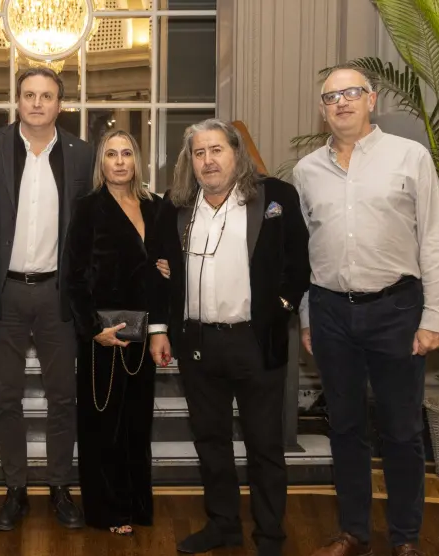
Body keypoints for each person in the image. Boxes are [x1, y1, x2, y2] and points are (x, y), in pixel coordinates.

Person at [294, 68, 439, 556]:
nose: (341, 102)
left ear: (372, 99)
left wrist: (437, 316)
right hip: (329, 312)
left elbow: (435, 237)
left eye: (352, 93)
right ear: (322, 109)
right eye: (331, 96)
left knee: (402, 430)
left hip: (397, 310)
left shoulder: (410, 157)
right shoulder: (306, 171)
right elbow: (303, 253)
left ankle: (405, 538)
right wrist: (307, 315)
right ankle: (354, 533)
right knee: (344, 429)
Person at [149, 118, 310, 556]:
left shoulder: (275, 197)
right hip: (198, 343)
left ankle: (270, 536)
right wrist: (160, 328)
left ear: (236, 153)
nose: (208, 160)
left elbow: (299, 261)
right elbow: (158, 270)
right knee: (211, 441)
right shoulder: (176, 204)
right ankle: (223, 525)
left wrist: (281, 308)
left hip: (256, 341)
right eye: (199, 153)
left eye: (216, 150)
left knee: (265, 445)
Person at [0, 67, 94, 531]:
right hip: (5, 293)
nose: (37, 103)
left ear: (60, 104)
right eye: (29, 95)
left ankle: (59, 487)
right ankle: (15, 489)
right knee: (5, 398)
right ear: (17, 101)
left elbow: (96, 224)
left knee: (63, 397)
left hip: (58, 293)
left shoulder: (82, 154)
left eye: (47, 96)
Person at [64, 129, 161, 536]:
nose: (119, 161)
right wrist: (92, 330)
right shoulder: (88, 208)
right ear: (100, 163)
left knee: (137, 424)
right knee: (103, 425)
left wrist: (164, 269)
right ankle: (108, 510)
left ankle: (138, 505)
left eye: (126, 153)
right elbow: (73, 277)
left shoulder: (155, 206)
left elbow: (163, 262)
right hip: (102, 336)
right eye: (111, 154)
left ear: (136, 160)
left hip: (144, 333)